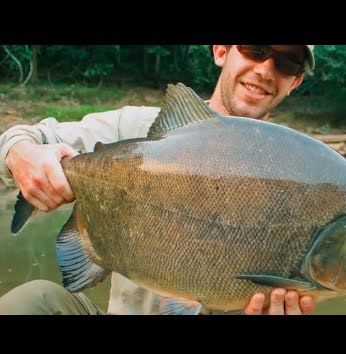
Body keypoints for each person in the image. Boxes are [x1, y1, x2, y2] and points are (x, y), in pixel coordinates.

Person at [0, 45, 317, 315]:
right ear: (221, 50)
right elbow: (23, 137)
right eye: (255, 49)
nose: (264, 69)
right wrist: (21, 154)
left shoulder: (299, 175)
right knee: (33, 300)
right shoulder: (139, 129)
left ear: (296, 80)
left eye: (287, 61)